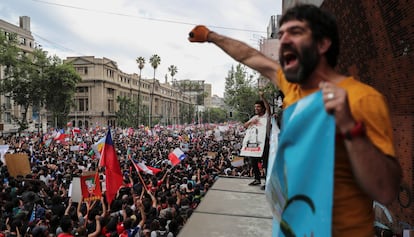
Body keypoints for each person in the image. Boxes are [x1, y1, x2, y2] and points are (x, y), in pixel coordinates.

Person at [188, 3, 402, 236]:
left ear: (323, 44)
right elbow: (250, 55)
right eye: (282, 35)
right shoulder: (292, 88)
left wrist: (350, 127)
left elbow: (385, 190)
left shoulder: (363, 99)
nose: (285, 41)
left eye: (296, 33)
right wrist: (211, 36)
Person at [243, 91, 270, 188]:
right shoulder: (254, 117)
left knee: (266, 163)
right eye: (255, 107)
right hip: (255, 144)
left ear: (262, 108)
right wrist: (251, 122)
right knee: (252, 160)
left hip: (265, 143)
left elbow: (268, 108)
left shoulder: (266, 116)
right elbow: (245, 125)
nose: (256, 109)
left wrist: (263, 97)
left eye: (258, 107)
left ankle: (267, 182)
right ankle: (257, 179)